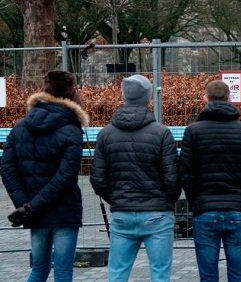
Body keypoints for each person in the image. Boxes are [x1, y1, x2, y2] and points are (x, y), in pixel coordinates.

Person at [90, 74, 180, 282]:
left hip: (122, 213)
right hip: (157, 213)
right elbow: (172, 178)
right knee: (160, 273)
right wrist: (166, 200)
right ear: (148, 98)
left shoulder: (106, 134)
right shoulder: (162, 133)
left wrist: (116, 199)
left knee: (117, 273)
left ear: (124, 97)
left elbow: (98, 179)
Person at [1, 70, 88, 282]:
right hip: (64, 211)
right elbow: (65, 177)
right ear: (70, 93)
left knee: (38, 269)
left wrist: (25, 205)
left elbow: (7, 168)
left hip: (33, 211)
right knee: (63, 271)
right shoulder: (72, 130)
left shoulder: (20, 126)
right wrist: (31, 206)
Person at [179, 80, 241, 282]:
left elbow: (186, 173)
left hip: (205, 210)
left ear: (205, 99)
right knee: (238, 275)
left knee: (208, 276)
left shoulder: (193, 131)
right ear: (229, 99)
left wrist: (196, 200)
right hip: (237, 209)